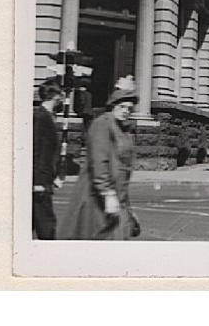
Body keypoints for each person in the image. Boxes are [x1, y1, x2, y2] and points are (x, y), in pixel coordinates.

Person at [58, 77, 140, 240]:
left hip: (117, 198)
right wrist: (107, 193)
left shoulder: (123, 130)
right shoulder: (102, 124)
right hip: (97, 198)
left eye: (129, 109)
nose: (126, 111)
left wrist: (128, 207)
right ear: (113, 106)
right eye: (122, 106)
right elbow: (99, 161)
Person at [33, 78, 64, 239]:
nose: (62, 97)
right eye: (60, 93)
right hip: (40, 182)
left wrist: (55, 176)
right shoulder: (40, 117)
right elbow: (36, 150)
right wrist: (37, 182)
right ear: (54, 95)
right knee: (46, 225)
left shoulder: (49, 117)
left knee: (35, 222)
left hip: (45, 179)